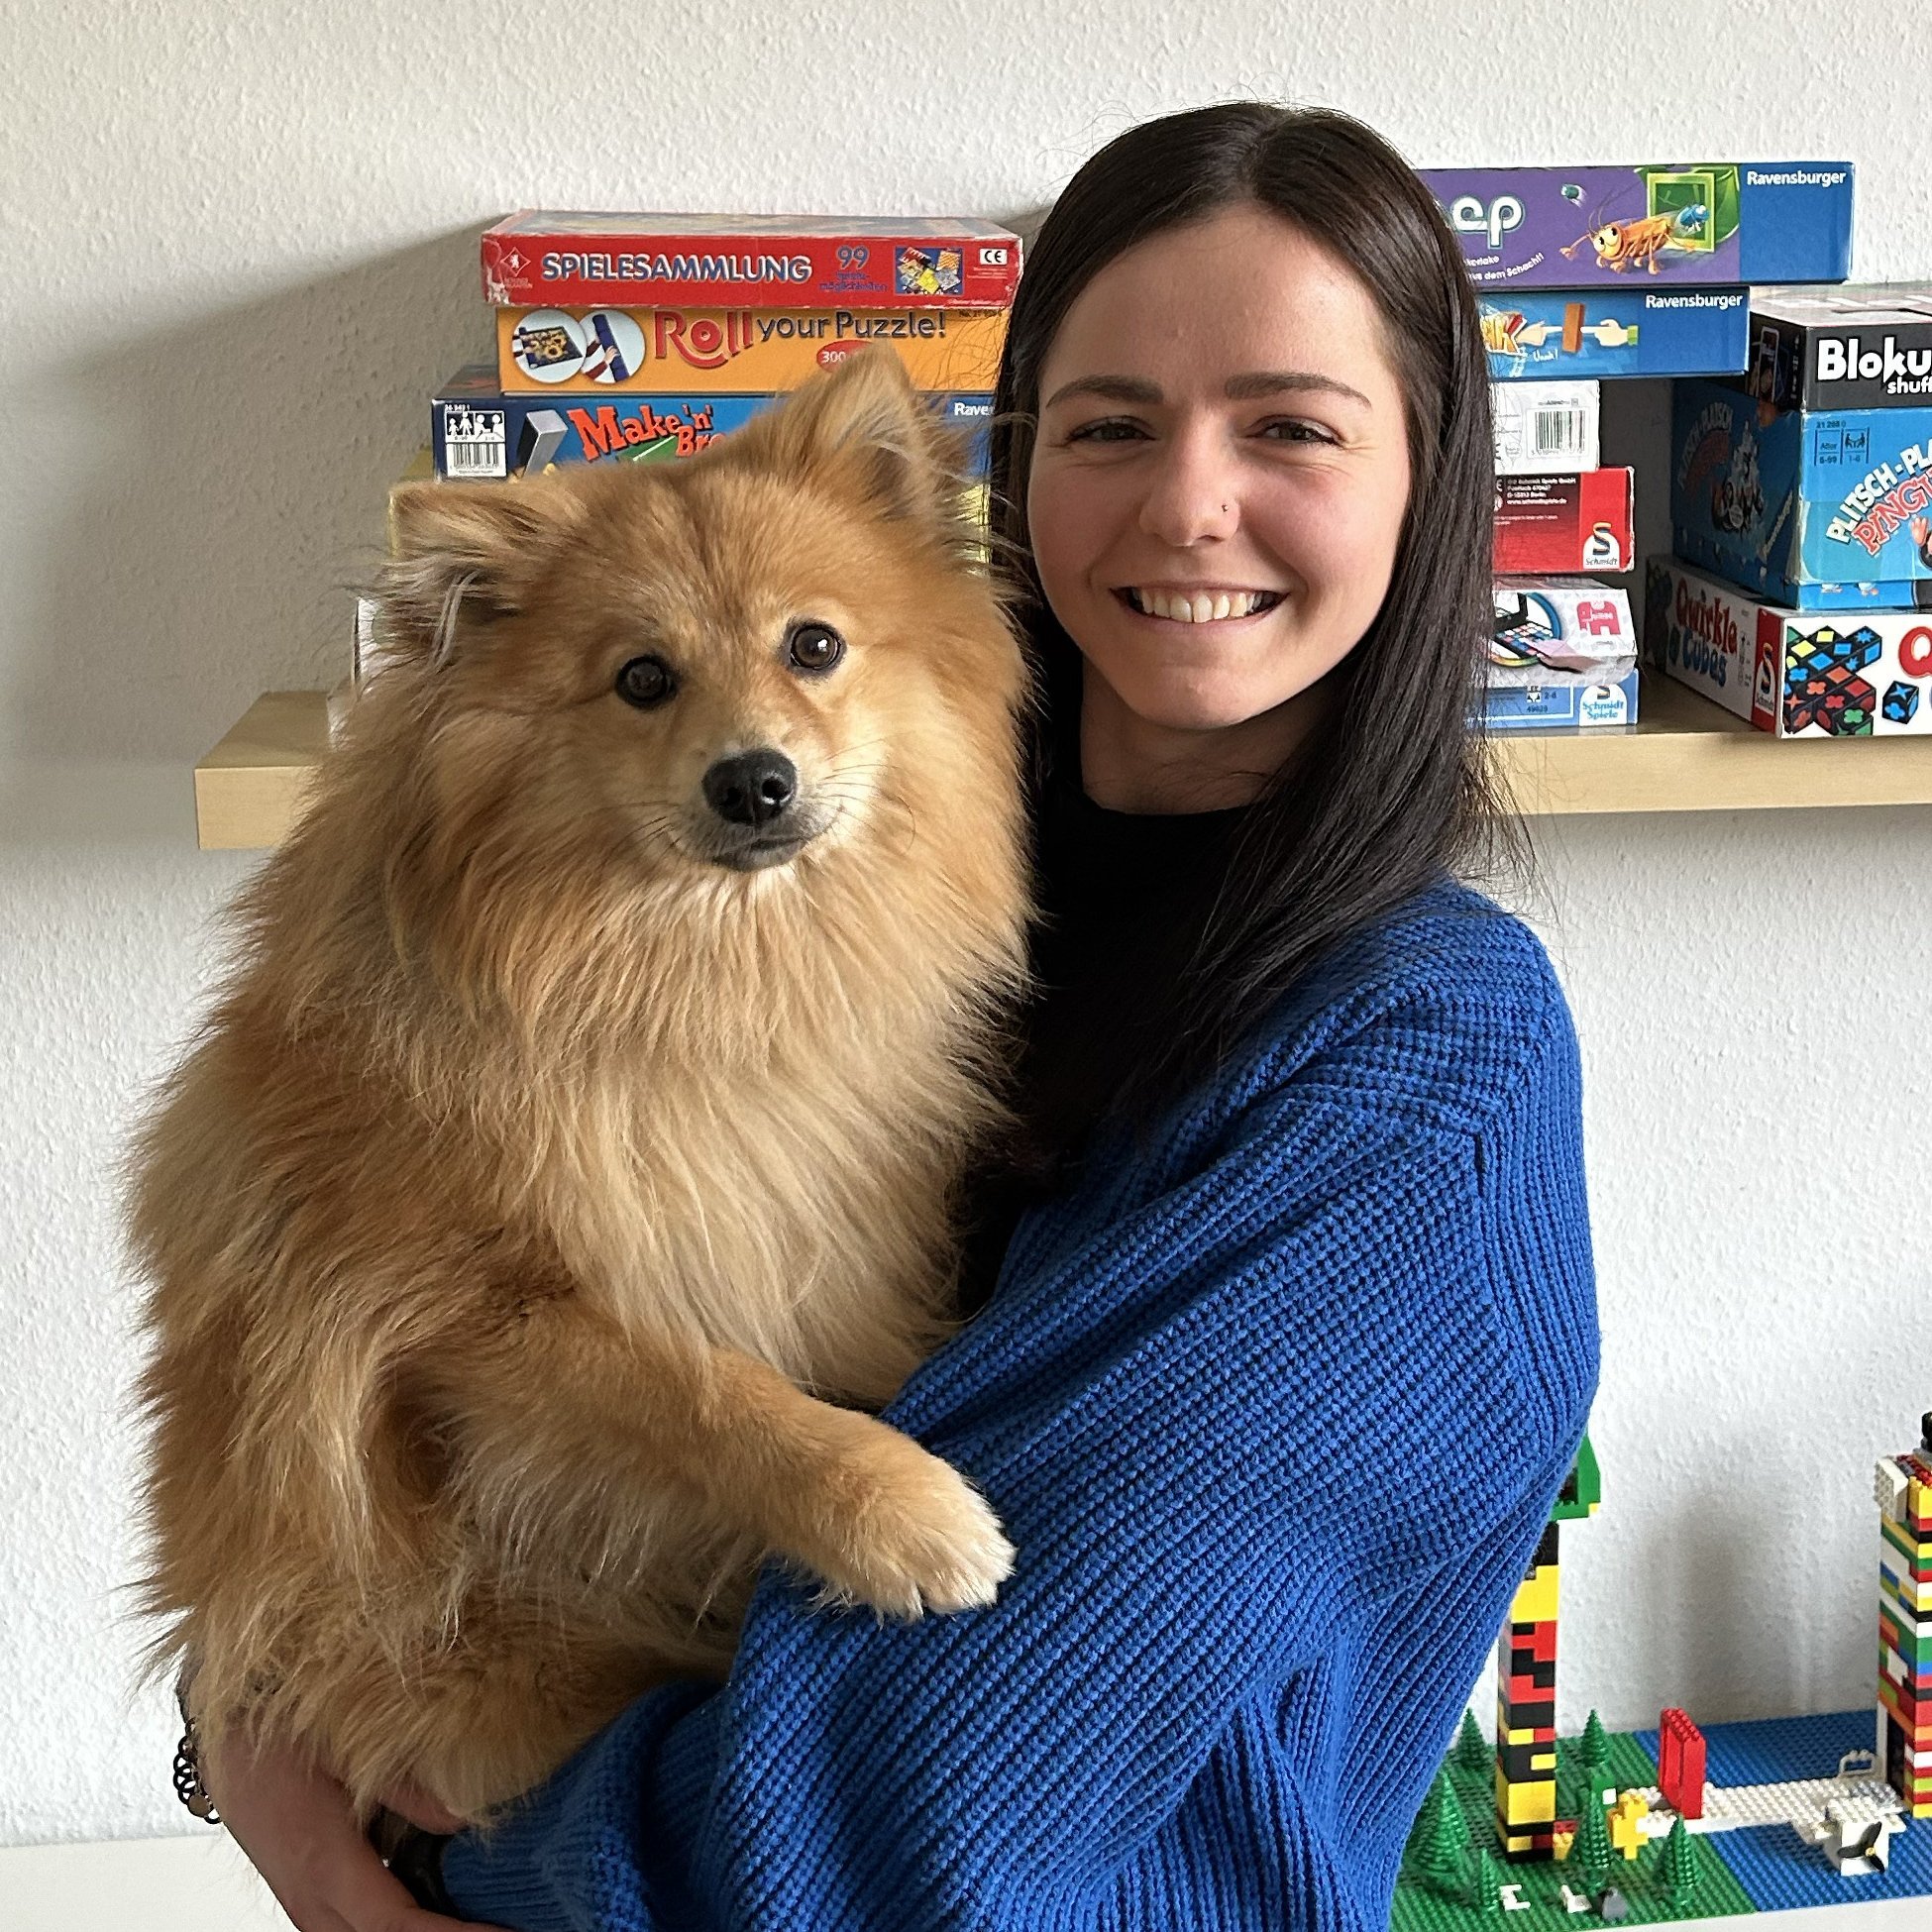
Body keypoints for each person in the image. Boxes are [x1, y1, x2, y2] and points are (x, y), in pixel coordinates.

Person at [193, 101, 1599, 1931]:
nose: (1188, 502)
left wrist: (413, 1858)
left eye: (1289, 427)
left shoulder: (1422, 1062)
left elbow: (909, 1823)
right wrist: (248, 1738)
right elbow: (373, 1393)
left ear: (1429, 477)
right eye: (1109, 425)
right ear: (1006, 479)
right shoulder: (902, 917)